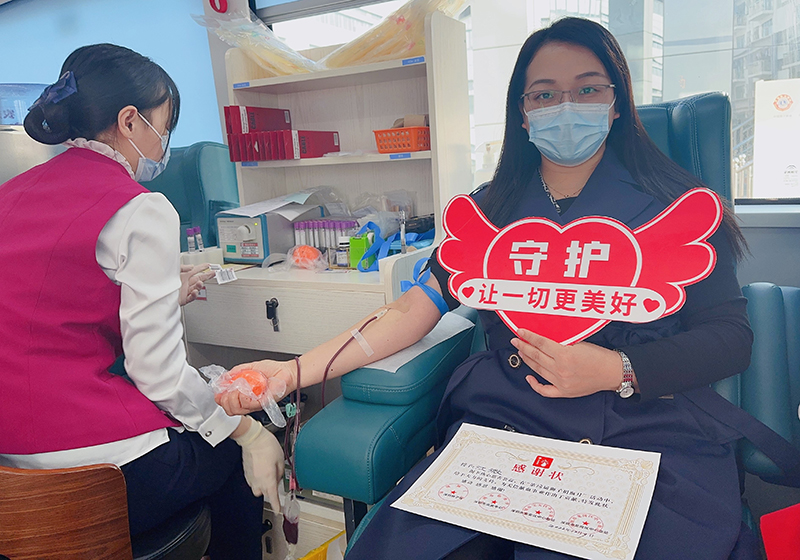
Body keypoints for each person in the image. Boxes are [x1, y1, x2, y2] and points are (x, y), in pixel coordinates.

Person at [216, 18, 760, 559]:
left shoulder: (677, 205)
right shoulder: (489, 210)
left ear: (616, 102)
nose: (566, 107)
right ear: (522, 112)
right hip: (509, 427)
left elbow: (731, 339)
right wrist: (290, 373)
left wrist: (615, 369)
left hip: (640, 430)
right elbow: (412, 309)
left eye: (588, 90)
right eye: (545, 95)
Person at [0, 44, 283, 560]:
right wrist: (246, 432)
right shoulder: (141, 208)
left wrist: (164, 295)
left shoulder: (10, 193)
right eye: (164, 126)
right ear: (130, 121)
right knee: (234, 450)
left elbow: (46, 308)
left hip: (10, 473)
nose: (164, 144)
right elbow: (158, 374)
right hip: (95, 469)